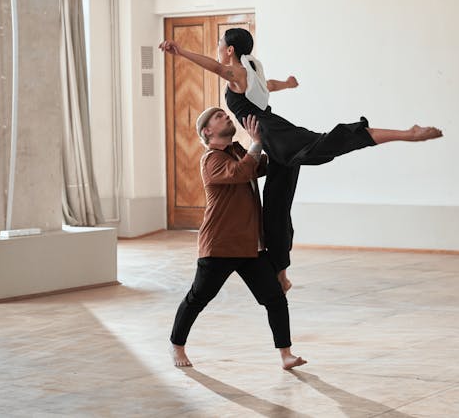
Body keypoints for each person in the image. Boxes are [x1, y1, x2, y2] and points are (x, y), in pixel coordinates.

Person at [159, 30, 443, 293]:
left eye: (219, 46)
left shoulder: (234, 72)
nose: (218, 51)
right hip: (276, 141)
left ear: (229, 50)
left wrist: (181, 52)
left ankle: (407, 134)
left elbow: (217, 68)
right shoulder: (252, 70)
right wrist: (288, 84)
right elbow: (268, 85)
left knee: (329, 143)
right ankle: (281, 275)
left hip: (275, 137)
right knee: (276, 206)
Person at [170, 106, 307, 371]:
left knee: (275, 298)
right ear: (207, 131)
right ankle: (177, 345)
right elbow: (241, 173)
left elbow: (259, 167)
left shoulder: (237, 152)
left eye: (225, 114)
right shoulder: (211, 159)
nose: (226, 116)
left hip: (249, 247)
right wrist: (256, 143)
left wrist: (288, 148)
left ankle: (286, 355)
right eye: (219, 116)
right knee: (198, 298)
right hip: (220, 246)